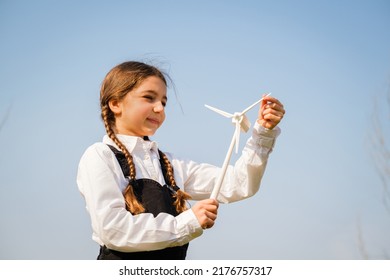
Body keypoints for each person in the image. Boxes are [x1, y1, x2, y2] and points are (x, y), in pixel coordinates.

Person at [76, 61, 285, 260]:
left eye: (164, 102)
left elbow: (239, 184)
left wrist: (263, 133)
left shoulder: (171, 166)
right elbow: (112, 229)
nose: (160, 108)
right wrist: (187, 223)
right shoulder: (100, 156)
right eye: (149, 98)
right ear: (115, 103)